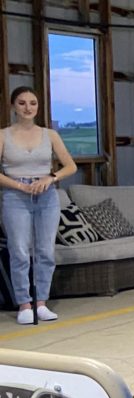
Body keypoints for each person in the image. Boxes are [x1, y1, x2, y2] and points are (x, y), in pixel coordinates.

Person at [1, 87, 77, 325]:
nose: (28, 108)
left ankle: (41, 303)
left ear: (38, 107)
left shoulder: (50, 135)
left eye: (33, 103)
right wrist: (20, 186)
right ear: (14, 106)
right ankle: (24, 304)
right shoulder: (3, 135)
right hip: (15, 196)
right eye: (22, 103)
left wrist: (50, 178)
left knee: (45, 251)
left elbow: (70, 166)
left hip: (46, 196)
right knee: (20, 251)